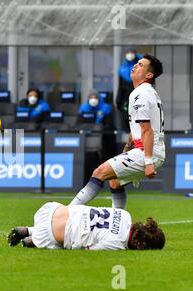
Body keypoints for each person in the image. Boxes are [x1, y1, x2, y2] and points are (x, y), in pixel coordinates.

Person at [69, 54, 164, 210]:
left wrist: (148, 162)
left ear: (149, 75)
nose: (135, 65)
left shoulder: (140, 94)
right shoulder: (147, 92)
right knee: (115, 181)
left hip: (147, 151)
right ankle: (119, 224)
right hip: (150, 150)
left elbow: (147, 130)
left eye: (140, 65)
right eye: (136, 63)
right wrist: (127, 147)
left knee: (99, 172)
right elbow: (139, 127)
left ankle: (66, 214)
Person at [8, 201, 165, 250]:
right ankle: (32, 240)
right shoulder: (118, 243)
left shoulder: (125, 215)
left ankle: (27, 230)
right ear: (143, 245)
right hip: (49, 234)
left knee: (78, 221)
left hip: (51, 209)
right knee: (69, 244)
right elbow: (89, 250)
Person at [116, 48, 142, 131]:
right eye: (128, 53)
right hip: (126, 98)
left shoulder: (141, 67)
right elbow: (120, 86)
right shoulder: (122, 69)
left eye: (131, 52)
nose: (130, 55)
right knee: (126, 118)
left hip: (139, 97)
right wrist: (118, 100)